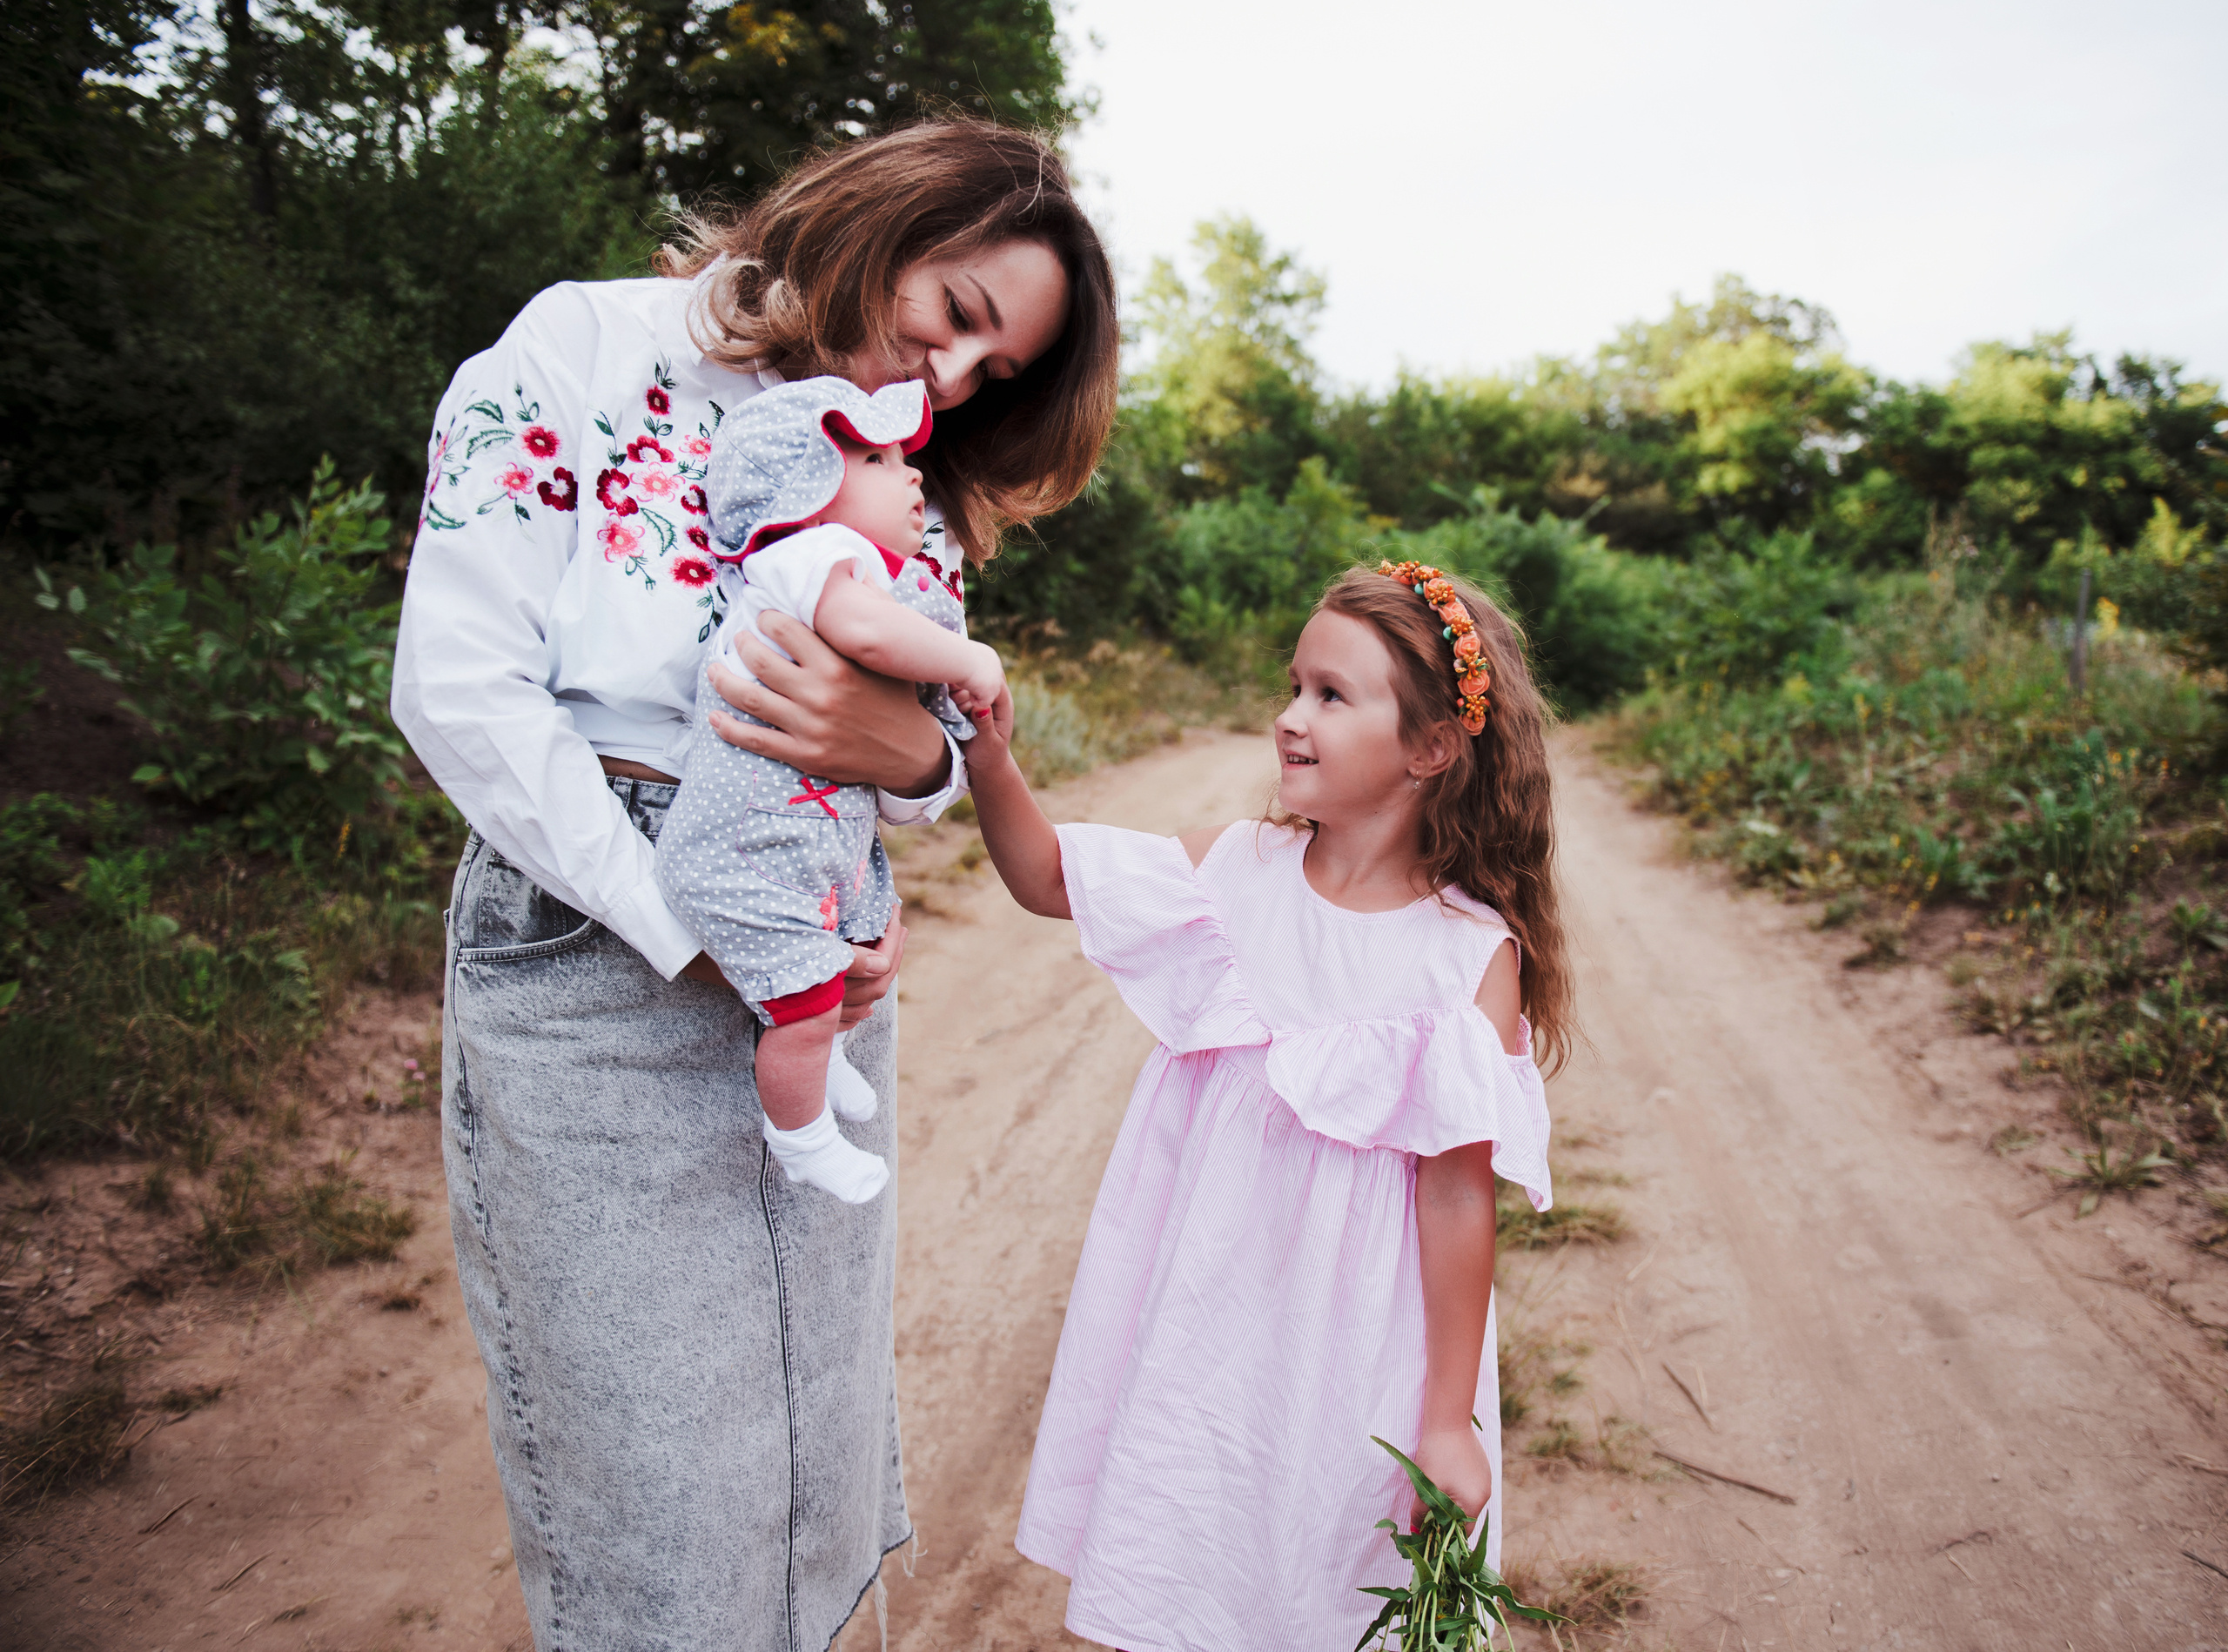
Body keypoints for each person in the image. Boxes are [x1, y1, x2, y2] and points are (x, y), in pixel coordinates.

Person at [389, 120, 1116, 1651]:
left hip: (808, 963)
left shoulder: (888, 463)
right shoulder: (587, 345)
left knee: (805, 1427)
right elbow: (459, 691)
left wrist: (904, 765)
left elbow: (919, 755)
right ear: (885, 216)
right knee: (657, 1484)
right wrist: (695, 921)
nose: (955, 383)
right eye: (963, 319)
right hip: (602, 949)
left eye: (995, 376)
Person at [963, 561, 1573, 1652]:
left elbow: (1453, 1198)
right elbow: (1050, 877)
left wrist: (1445, 1416)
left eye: (1332, 697)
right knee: (1189, 1534)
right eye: (1294, 686)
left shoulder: (1467, 955)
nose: (1290, 718)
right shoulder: (1236, 868)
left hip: (1349, 1338)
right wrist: (990, 756)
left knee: (1323, 1569)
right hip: (1202, 1297)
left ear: (1432, 746)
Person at [654, 376, 1006, 1205]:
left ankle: (824, 1063)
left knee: (850, 944)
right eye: (877, 457)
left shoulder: (854, 571)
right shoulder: (815, 556)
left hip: (797, 840)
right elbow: (864, 635)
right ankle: (802, 1136)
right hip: (745, 850)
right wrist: (969, 660)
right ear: (806, 491)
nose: (912, 473)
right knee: (806, 999)